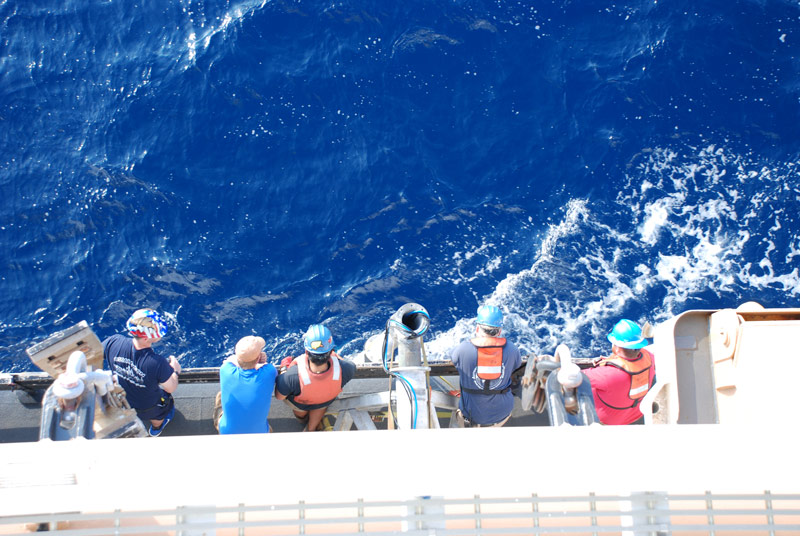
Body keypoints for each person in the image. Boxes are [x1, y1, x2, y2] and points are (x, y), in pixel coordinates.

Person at [102, 308, 181, 436]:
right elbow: (171, 387)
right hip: (148, 407)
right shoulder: (157, 363)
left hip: (122, 400)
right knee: (159, 414)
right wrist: (175, 371)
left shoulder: (113, 342)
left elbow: (93, 356)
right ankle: (156, 429)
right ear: (146, 338)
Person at [450, 305, 522, 427]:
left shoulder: (462, 349)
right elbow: (517, 365)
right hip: (502, 414)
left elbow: (454, 359)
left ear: (477, 329)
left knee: (462, 414)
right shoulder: (512, 350)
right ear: (499, 331)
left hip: (471, 415)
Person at [275, 324, 356, 432]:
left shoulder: (291, 376)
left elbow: (280, 396)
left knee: (301, 414)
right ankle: (311, 428)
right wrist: (335, 356)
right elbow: (346, 363)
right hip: (325, 401)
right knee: (319, 407)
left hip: (301, 404)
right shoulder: (347, 368)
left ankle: (303, 421)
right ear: (331, 351)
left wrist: (284, 369)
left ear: (306, 352)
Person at [582, 319, 656, 425]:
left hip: (609, 422)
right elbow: (630, 365)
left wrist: (606, 365)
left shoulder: (606, 374)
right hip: (637, 414)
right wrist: (611, 360)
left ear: (617, 348)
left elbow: (575, 376)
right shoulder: (650, 358)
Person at [214, 335, 277, 434]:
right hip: (259, 433)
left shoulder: (225, 370)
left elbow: (230, 361)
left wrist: (251, 358)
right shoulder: (269, 372)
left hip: (227, 432)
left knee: (220, 395)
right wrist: (261, 361)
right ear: (258, 358)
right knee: (269, 430)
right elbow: (267, 367)